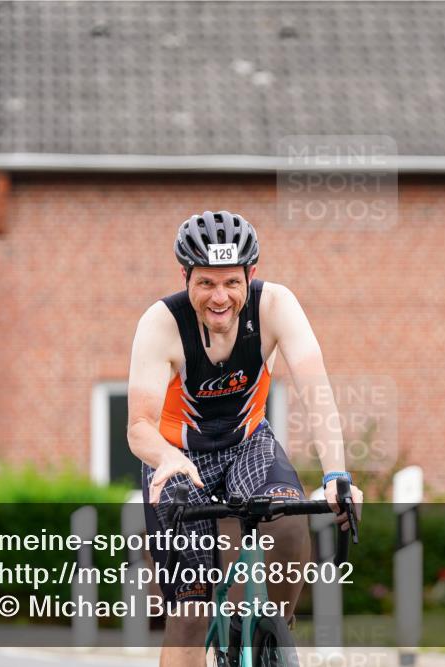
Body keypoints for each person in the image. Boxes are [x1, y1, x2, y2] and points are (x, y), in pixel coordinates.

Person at [127, 210, 363, 667]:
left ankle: (272, 635)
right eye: (206, 284)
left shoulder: (276, 306)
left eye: (232, 283)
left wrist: (337, 474)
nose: (220, 297)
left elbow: (317, 394)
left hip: (248, 445)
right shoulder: (161, 324)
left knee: (291, 525)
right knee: (191, 614)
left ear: (250, 275)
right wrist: (167, 459)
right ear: (186, 276)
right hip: (179, 459)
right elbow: (139, 426)